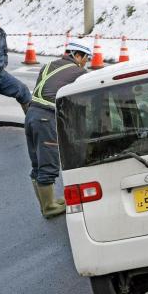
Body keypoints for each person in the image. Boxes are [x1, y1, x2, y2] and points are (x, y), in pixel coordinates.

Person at [25, 42, 92, 218]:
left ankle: (46, 203)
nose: (86, 63)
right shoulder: (78, 72)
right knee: (49, 161)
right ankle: (49, 207)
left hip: (32, 115)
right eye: (86, 58)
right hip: (46, 118)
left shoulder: (48, 65)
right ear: (79, 56)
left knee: (37, 162)